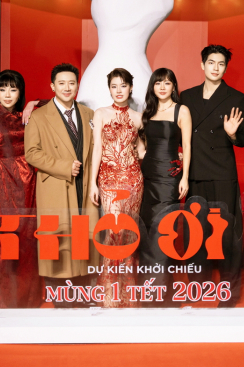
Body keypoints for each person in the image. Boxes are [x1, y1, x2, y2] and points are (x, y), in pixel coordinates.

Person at [180, 44, 244, 307]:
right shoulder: (187, 96)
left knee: (226, 233)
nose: (216, 68)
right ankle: (197, 286)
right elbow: (179, 132)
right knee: (195, 231)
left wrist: (232, 134)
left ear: (225, 68)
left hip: (222, 173)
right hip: (195, 172)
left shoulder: (236, 97)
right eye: (211, 62)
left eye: (221, 64)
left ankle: (229, 291)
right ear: (202, 65)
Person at [25, 63, 100, 308]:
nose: (67, 88)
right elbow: (31, 153)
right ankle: (61, 297)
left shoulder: (89, 114)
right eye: (61, 83)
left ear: (77, 85)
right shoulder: (39, 116)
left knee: (83, 238)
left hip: (84, 186)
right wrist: (63, 166)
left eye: (71, 83)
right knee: (57, 240)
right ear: (52, 86)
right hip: (56, 186)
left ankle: (83, 294)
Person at [0, 70, 41, 311]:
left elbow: (56, 102)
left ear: (20, 92)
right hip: (7, 180)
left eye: (13, 89)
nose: (7, 94)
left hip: (32, 181)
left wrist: (34, 103)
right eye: (2, 88)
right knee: (10, 238)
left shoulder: (28, 115)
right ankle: (9, 300)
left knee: (30, 238)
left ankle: (30, 298)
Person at [89, 68, 145, 307]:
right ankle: (109, 295)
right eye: (114, 86)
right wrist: (92, 183)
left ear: (130, 88)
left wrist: (173, 157)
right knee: (113, 233)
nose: (119, 90)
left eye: (123, 85)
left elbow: (141, 151)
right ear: (109, 89)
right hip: (109, 180)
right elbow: (97, 149)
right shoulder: (101, 113)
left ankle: (128, 295)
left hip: (133, 180)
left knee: (130, 234)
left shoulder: (139, 117)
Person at [138, 68, 192, 303]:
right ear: (152, 86)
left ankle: (162, 292)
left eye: (167, 83)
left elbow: (187, 146)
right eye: (158, 83)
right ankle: (147, 291)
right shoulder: (148, 112)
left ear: (173, 87)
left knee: (164, 231)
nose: (162, 87)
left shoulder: (182, 110)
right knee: (147, 230)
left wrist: (185, 177)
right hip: (148, 175)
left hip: (169, 179)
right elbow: (142, 146)